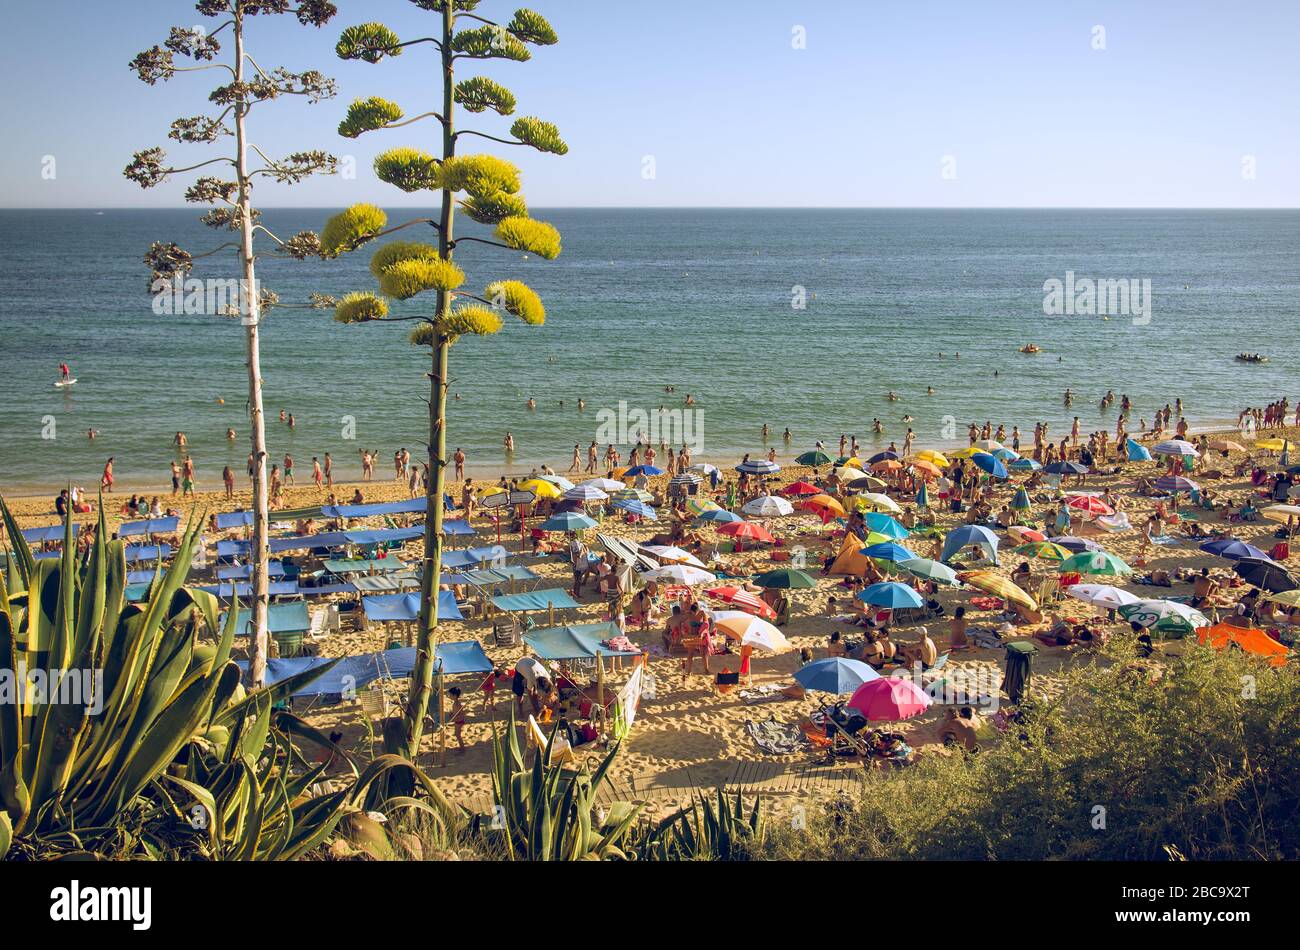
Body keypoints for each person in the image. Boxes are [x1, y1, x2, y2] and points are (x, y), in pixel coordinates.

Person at [447, 686, 467, 752]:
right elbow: (457, 712)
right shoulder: (456, 702)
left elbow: (461, 713)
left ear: (455, 696)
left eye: (450, 695)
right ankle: (461, 747)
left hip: (459, 721)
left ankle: (463, 749)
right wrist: (452, 713)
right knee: (457, 734)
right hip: (458, 721)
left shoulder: (457, 704)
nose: (449, 696)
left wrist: (455, 718)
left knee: (458, 735)